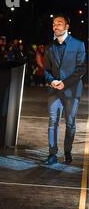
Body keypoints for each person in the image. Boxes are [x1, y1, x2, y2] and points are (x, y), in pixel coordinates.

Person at [43, 14, 86, 165]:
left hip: (72, 90)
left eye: (59, 23)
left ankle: (67, 150)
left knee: (70, 123)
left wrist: (65, 83)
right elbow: (46, 70)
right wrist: (52, 80)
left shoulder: (78, 45)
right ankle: (52, 153)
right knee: (53, 121)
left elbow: (81, 69)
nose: (56, 26)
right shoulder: (49, 47)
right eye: (54, 24)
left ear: (67, 27)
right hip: (54, 90)